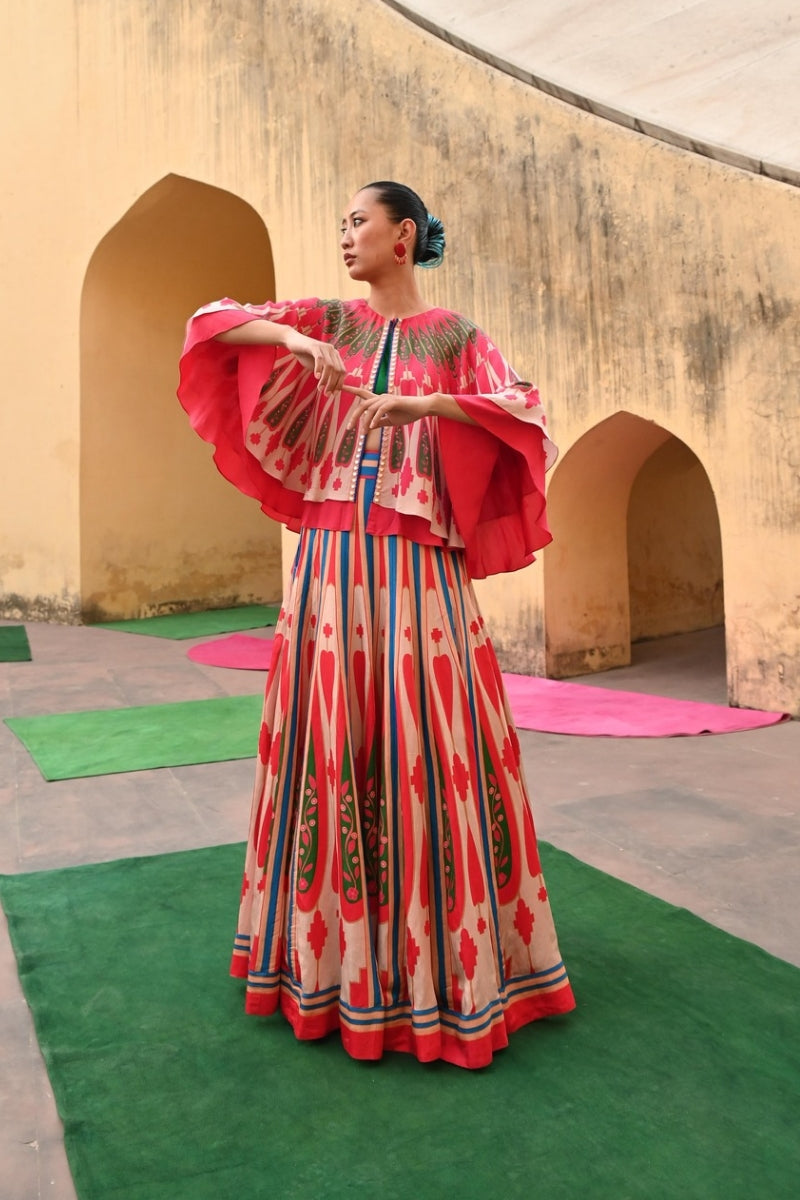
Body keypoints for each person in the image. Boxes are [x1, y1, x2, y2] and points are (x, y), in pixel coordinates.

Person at [178, 180, 575, 1068]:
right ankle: (325, 968)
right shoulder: (331, 321)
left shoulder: (457, 339)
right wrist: (291, 340)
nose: (346, 236)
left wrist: (426, 407)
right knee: (331, 748)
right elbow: (209, 321)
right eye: (343, 224)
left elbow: (525, 411)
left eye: (360, 222)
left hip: (417, 576)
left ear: (405, 236)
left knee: (428, 753)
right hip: (326, 571)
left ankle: (447, 976)